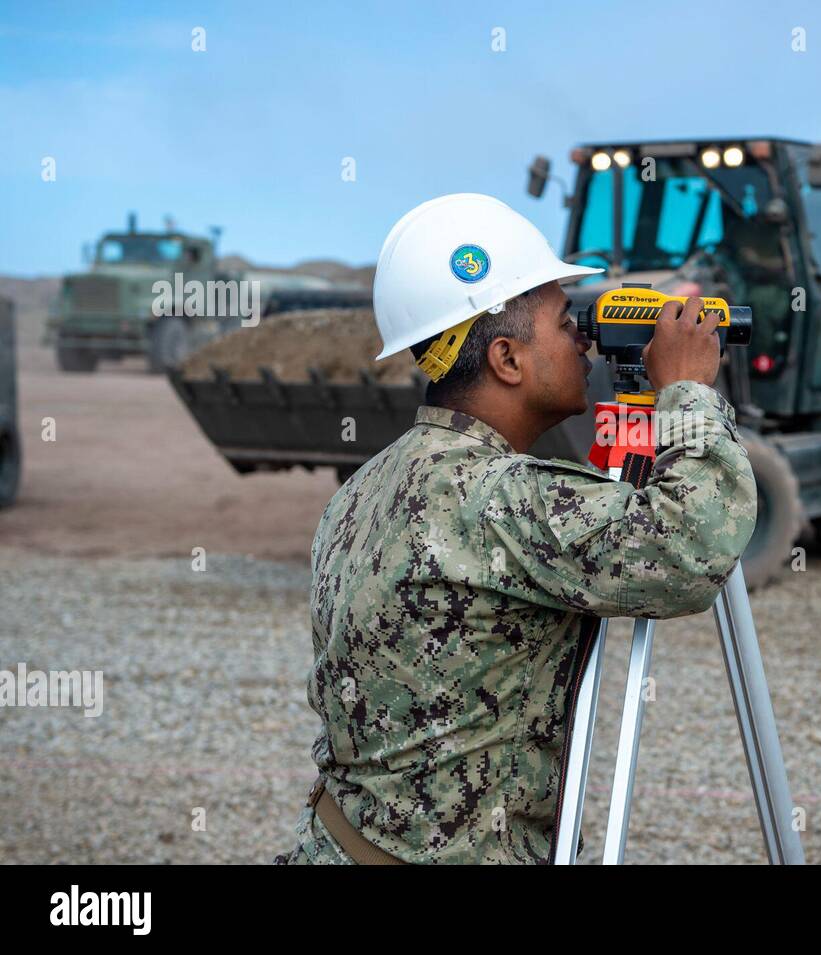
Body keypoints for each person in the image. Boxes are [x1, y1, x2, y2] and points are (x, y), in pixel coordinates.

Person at [275, 194, 757, 864]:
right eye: (566, 322)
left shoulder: (365, 487)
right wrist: (688, 394)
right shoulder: (499, 500)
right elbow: (692, 544)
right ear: (507, 359)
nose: (583, 338)